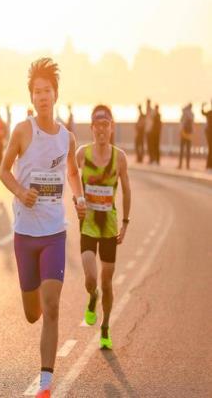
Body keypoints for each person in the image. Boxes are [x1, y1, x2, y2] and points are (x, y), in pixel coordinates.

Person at [0, 57, 86, 398]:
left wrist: (79, 198)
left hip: (53, 233)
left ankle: (46, 383)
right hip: (25, 234)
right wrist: (21, 191)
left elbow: (73, 173)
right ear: (31, 97)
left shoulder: (67, 138)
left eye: (47, 90)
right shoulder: (23, 131)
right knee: (32, 313)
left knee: (51, 306)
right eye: (37, 92)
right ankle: (32, 290)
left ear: (56, 94)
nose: (42, 97)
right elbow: (3, 170)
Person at [76, 105, 131, 351]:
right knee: (91, 279)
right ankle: (92, 297)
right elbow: (72, 180)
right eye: (97, 125)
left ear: (111, 128)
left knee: (107, 282)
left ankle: (106, 327)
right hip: (88, 226)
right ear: (91, 128)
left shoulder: (120, 158)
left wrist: (126, 223)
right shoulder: (81, 154)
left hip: (109, 228)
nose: (101, 129)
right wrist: (76, 201)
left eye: (105, 125)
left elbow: (127, 190)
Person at [178, 103, 194, 169]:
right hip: (189, 134)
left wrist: (180, 131)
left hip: (183, 134)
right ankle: (187, 165)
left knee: (182, 150)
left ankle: (180, 164)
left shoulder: (184, 114)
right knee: (188, 150)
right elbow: (192, 124)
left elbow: (181, 123)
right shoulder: (192, 114)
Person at [201, 101, 212, 171]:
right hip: (209, 132)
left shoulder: (209, 112)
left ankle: (209, 165)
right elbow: (203, 113)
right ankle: (209, 165)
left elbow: (202, 112)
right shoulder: (210, 112)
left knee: (210, 149)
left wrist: (202, 106)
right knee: (211, 149)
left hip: (208, 132)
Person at [144, 99, 153, 163]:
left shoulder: (150, 111)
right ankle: (150, 158)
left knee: (150, 145)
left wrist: (149, 130)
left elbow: (151, 123)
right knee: (149, 145)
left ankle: (151, 158)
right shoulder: (148, 112)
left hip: (150, 132)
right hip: (148, 131)